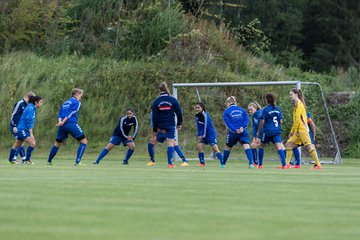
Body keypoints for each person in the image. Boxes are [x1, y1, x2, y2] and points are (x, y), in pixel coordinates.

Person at [147, 82, 188, 168]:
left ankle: (152, 160)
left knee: (151, 142)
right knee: (170, 143)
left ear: (159, 90)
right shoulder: (173, 100)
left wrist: (154, 128)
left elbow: (154, 116)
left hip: (160, 126)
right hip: (170, 125)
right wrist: (179, 123)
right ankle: (170, 163)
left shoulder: (156, 101)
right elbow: (179, 113)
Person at [47, 88, 87, 166]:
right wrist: (63, 122)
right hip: (70, 123)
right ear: (77, 94)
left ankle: (49, 161)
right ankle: (77, 162)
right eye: (80, 96)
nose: (80, 98)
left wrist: (60, 122)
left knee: (57, 143)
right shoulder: (77, 102)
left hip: (62, 126)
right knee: (84, 141)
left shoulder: (65, 103)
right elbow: (71, 113)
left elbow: (60, 113)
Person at [285, 88, 322, 169]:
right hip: (298, 130)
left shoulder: (299, 104)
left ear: (296, 94)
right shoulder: (296, 105)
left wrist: (293, 131)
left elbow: (298, 119)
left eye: (291, 94)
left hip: (302, 130)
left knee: (309, 146)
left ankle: (318, 165)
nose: (290, 96)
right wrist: (293, 130)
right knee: (288, 144)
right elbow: (295, 120)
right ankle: (286, 165)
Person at [254, 93, 287, 169]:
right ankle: (284, 164)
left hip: (268, 131)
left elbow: (262, 121)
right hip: (277, 131)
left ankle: (260, 165)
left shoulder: (266, 109)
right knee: (279, 147)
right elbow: (281, 121)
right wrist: (279, 127)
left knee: (261, 146)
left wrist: (258, 131)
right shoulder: (277, 109)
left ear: (267, 100)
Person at [8, 96, 43, 164]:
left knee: (17, 145)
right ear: (36, 102)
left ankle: (11, 159)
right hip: (23, 129)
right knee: (33, 143)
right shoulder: (30, 109)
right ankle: (27, 160)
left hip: (21, 129)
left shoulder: (31, 107)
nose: (42, 104)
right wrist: (31, 134)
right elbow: (28, 121)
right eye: (41, 102)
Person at [222, 96, 254, 169]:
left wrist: (236, 130)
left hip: (233, 132)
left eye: (226, 103)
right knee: (246, 146)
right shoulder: (242, 110)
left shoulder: (226, 111)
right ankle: (251, 164)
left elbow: (228, 124)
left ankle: (223, 164)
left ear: (228, 103)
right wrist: (242, 127)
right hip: (243, 131)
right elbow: (247, 120)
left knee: (228, 147)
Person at [195, 102, 223, 167]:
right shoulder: (196, 115)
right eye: (196, 108)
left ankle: (222, 162)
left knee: (215, 148)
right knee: (199, 147)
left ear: (202, 108)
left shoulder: (205, 115)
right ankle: (202, 163)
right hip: (202, 134)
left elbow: (206, 127)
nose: (197, 109)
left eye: (198, 108)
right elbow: (198, 126)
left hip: (210, 133)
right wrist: (199, 135)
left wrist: (203, 136)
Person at [247, 101, 263, 167]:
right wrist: (254, 136)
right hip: (259, 134)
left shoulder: (259, 114)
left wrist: (259, 137)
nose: (250, 111)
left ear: (255, 108)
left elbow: (262, 125)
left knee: (278, 146)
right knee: (253, 145)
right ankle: (256, 163)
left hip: (266, 132)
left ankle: (289, 162)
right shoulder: (253, 116)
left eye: (251, 109)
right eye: (249, 110)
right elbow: (254, 127)